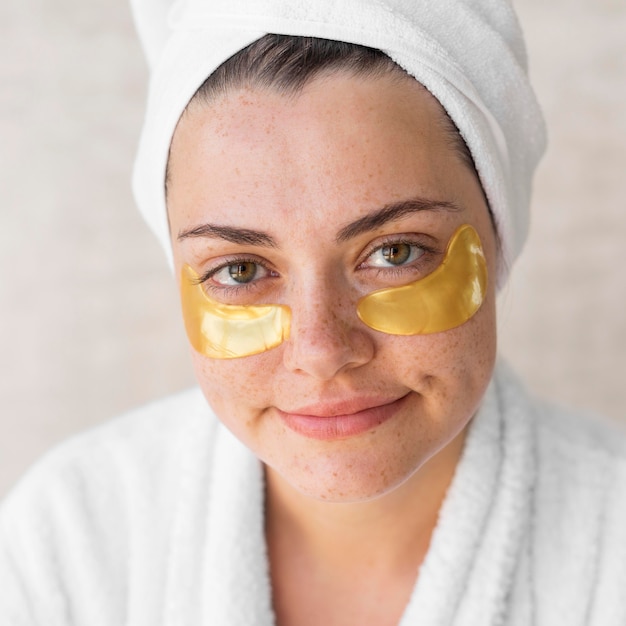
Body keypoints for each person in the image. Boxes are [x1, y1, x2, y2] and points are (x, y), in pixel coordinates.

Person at [1, 0, 625, 624]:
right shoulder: (67, 543)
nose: (322, 350)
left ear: (500, 238)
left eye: (395, 252)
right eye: (240, 270)